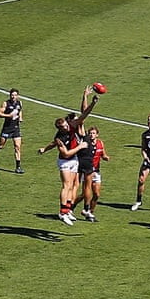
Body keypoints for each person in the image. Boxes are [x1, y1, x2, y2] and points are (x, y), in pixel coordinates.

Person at [38, 87, 99, 226]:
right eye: (65, 126)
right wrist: (80, 147)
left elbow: (84, 115)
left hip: (75, 160)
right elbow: (65, 153)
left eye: (67, 125)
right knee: (66, 185)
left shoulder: (73, 125)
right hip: (66, 160)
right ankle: (62, 212)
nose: (67, 127)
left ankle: (68, 210)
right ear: (60, 129)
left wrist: (92, 102)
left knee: (73, 185)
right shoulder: (60, 138)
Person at [0, 88, 24, 174]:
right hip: (7, 128)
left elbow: (20, 110)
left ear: (18, 96)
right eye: (12, 95)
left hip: (16, 128)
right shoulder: (6, 103)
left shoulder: (19, 103)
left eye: (15, 95)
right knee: (0, 146)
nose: (13, 97)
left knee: (17, 147)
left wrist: (20, 117)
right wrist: (8, 115)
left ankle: (18, 167)